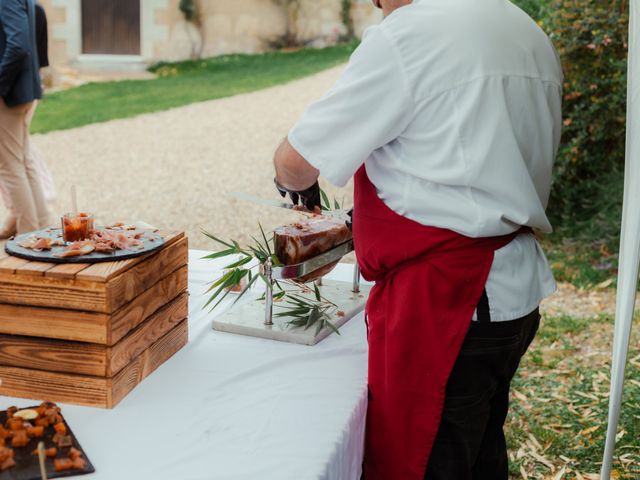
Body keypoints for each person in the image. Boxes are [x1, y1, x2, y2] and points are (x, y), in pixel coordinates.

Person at [272, 0, 562, 479]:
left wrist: (295, 184)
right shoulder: (518, 22)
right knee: (481, 449)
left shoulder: (410, 34)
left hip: (450, 301)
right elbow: (454, 161)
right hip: (514, 291)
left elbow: (296, 160)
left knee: (431, 460)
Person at [0, 2, 55, 238]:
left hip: (9, 94)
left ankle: (28, 236)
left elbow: (19, 46)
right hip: (20, 91)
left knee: (10, 166)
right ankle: (42, 230)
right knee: (23, 161)